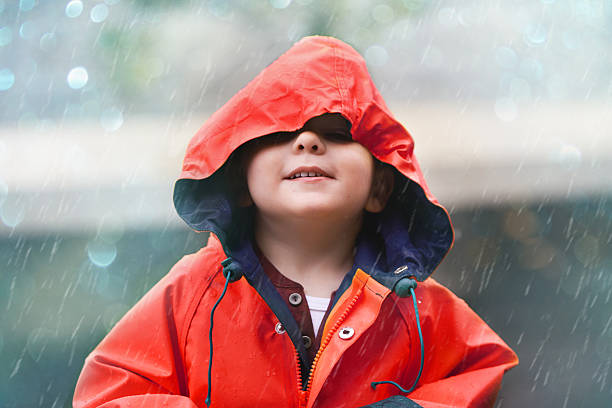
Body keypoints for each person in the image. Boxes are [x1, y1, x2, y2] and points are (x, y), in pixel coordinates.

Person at [73, 36, 518, 408]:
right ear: (240, 182)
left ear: (381, 187)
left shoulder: (417, 308)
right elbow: (109, 392)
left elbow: (480, 371)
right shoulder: (193, 291)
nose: (306, 141)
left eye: (338, 133)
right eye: (280, 133)